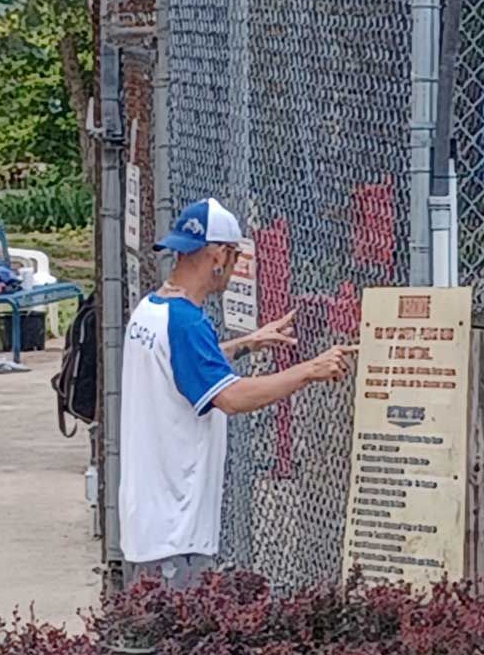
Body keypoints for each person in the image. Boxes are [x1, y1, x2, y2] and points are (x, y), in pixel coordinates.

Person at [120, 198, 355, 589]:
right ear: (218, 254)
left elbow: (182, 367)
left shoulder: (152, 309)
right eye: (236, 255)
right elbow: (231, 398)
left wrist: (248, 343)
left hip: (147, 520)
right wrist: (310, 370)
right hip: (177, 529)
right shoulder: (187, 323)